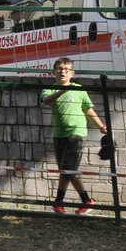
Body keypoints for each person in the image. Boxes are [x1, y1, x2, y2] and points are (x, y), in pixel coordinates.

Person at [42, 57, 108, 214]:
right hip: (59, 134)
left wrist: (100, 126)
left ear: (72, 73)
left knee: (68, 169)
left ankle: (59, 202)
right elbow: (46, 100)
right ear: (54, 72)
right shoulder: (49, 89)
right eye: (59, 69)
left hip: (76, 134)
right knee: (66, 170)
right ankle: (87, 200)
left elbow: (88, 110)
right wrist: (62, 91)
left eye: (66, 69)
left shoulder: (79, 89)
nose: (62, 72)